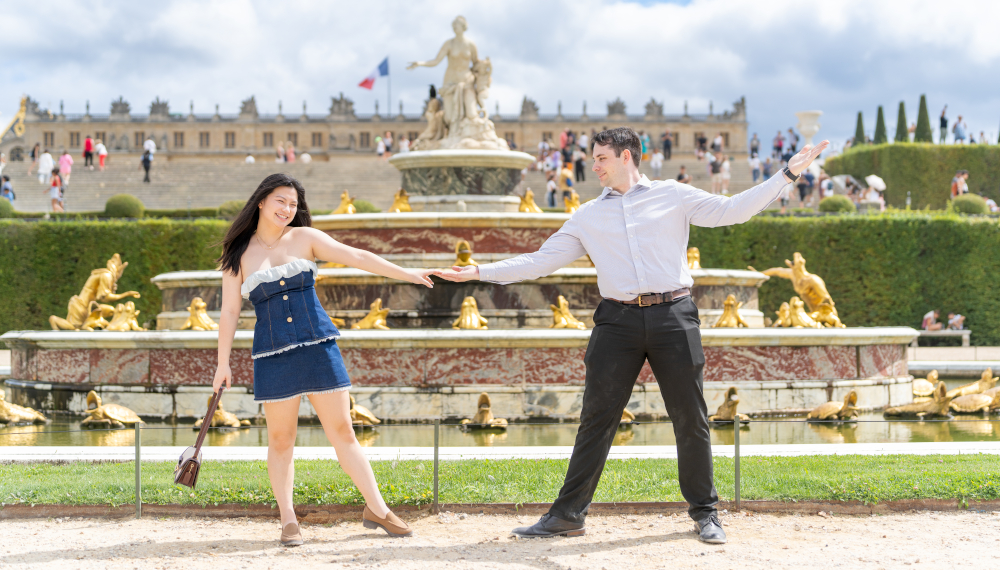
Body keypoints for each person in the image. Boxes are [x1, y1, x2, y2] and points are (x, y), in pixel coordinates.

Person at [438, 127, 827, 544]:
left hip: (674, 315)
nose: (594, 165)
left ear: (627, 156)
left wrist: (787, 174)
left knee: (690, 418)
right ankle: (567, 515)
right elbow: (541, 261)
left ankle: (706, 513)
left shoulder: (674, 195)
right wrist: (479, 272)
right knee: (596, 420)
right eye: (593, 158)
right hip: (616, 323)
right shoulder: (587, 215)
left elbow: (733, 209)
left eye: (601, 157)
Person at [212, 174, 440, 545]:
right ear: (261, 202)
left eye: (293, 204)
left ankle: (378, 509)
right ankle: (288, 519)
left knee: (344, 433)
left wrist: (408, 274)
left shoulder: (306, 239)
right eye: (280, 201)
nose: (287, 210)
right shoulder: (238, 255)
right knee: (281, 440)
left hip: (319, 346)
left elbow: (357, 256)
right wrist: (223, 364)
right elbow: (229, 312)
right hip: (272, 354)